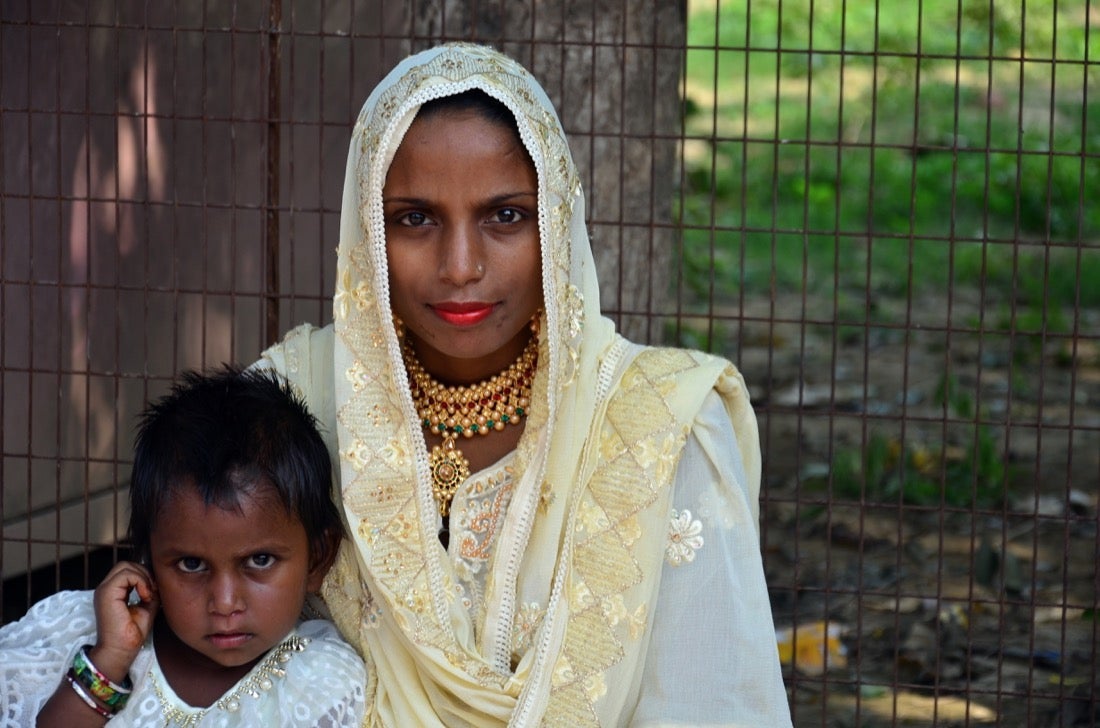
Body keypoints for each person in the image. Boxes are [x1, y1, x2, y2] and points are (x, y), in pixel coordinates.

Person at [256, 42, 792, 726]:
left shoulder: (661, 424)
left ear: (557, 222)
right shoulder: (291, 403)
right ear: (366, 226)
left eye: (504, 216)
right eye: (414, 218)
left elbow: (706, 701)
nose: (460, 266)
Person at [0, 368, 367, 727]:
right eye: (192, 564)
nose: (224, 604)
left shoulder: (317, 684)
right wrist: (109, 661)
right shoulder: (94, 637)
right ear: (147, 562)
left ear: (318, 558)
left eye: (259, 560)